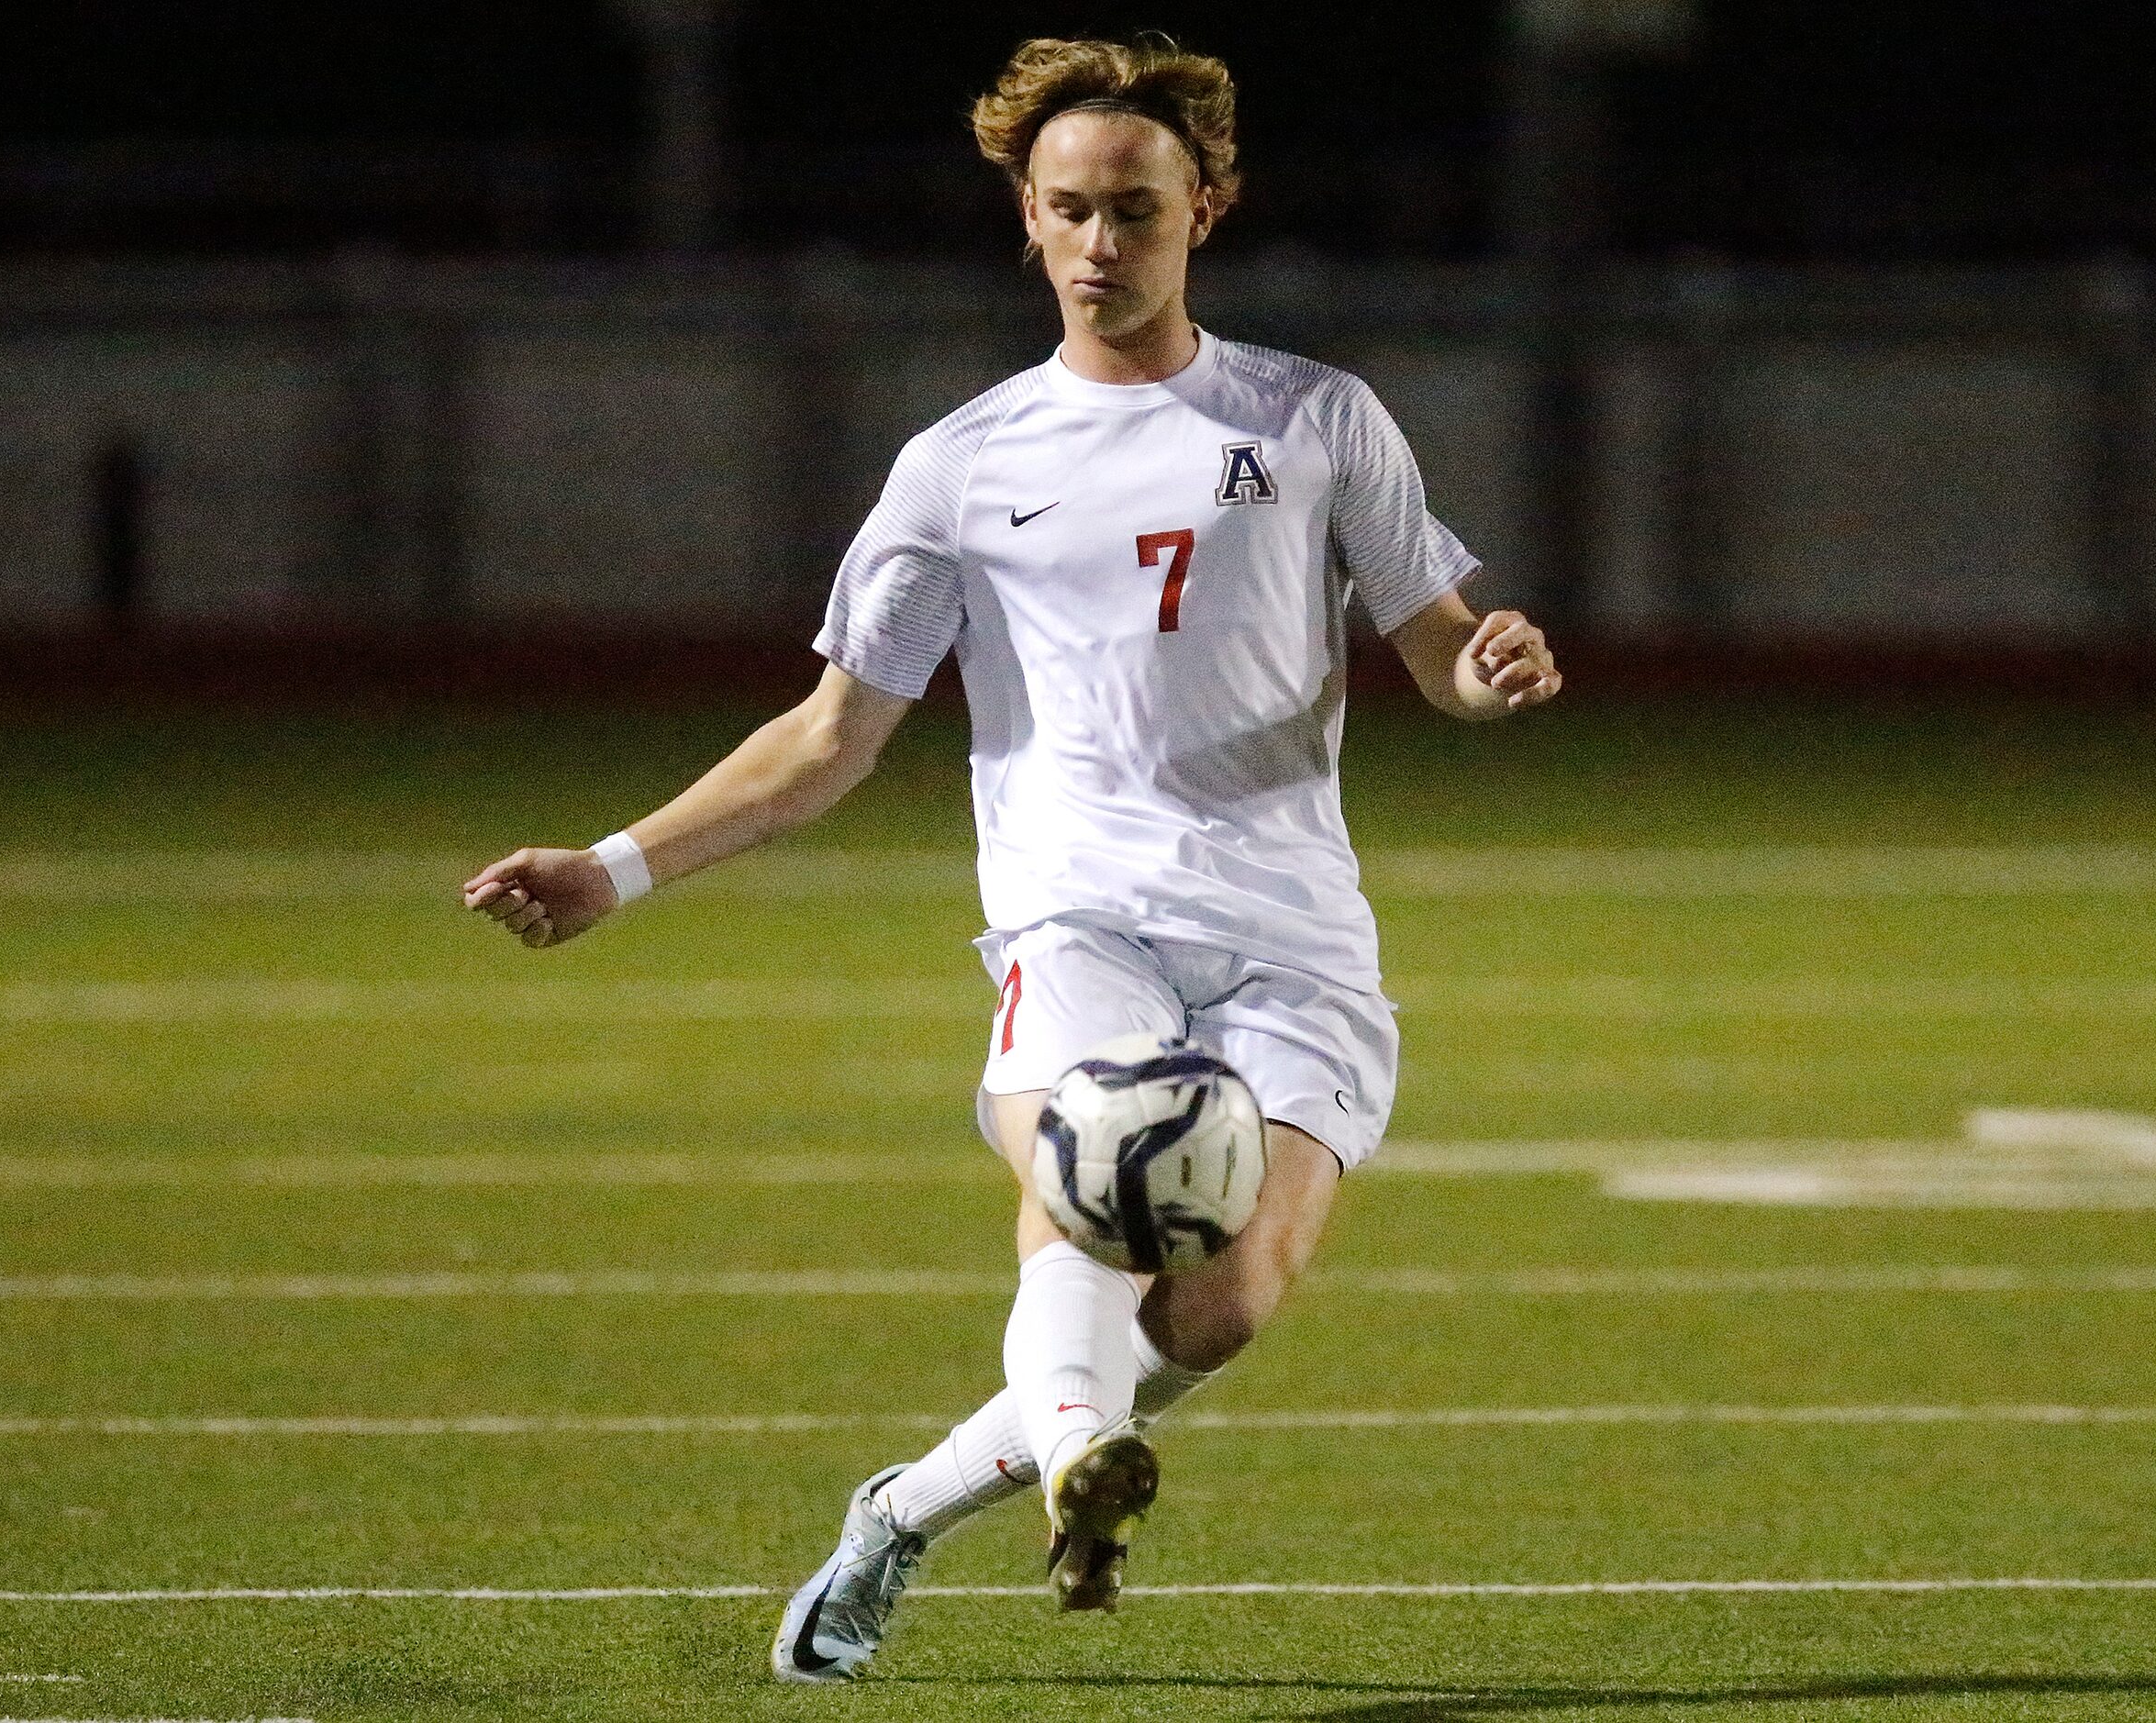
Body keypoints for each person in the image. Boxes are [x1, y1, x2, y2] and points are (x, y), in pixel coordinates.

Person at [461, 32, 1560, 1684]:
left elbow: (1436, 644)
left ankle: (902, 1508)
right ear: (1027, 224)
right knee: (1093, 1194)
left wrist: (1484, 671)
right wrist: (613, 866)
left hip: (1292, 942)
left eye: (1135, 208)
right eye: (1070, 211)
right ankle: (1070, 1460)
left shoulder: (1318, 418)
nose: (1102, 244)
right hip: (1081, 920)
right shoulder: (961, 467)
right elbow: (829, 735)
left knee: (1217, 1308)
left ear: (1210, 208)